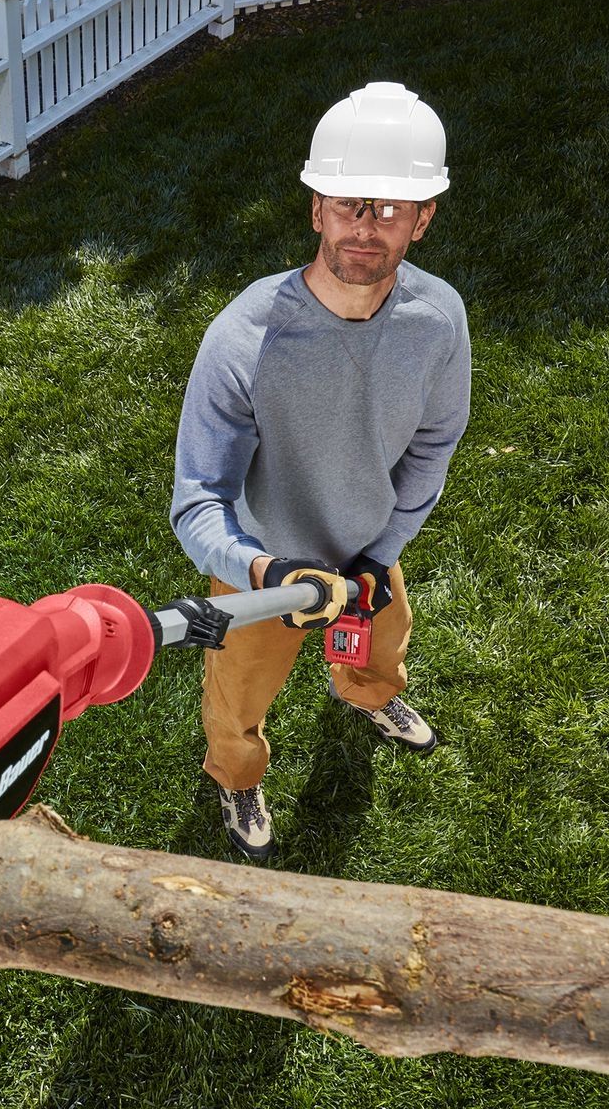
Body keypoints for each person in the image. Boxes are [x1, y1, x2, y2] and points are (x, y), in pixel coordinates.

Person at [170, 82, 471, 860]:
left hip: (369, 554)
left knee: (381, 645)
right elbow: (197, 503)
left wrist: (379, 552)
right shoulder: (245, 338)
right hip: (263, 567)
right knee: (237, 696)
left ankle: (368, 697)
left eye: (389, 208)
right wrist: (267, 567)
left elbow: (434, 446)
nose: (365, 228)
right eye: (347, 205)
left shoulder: (438, 321)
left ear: (423, 219)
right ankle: (237, 777)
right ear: (315, 209)